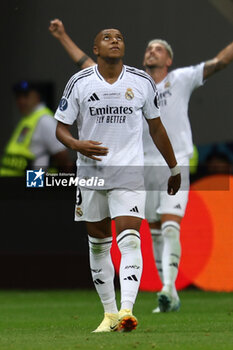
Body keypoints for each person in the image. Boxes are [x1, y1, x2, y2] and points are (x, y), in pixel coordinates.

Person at [49, 19, 233, 313]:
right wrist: (62, 36)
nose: (151, 52)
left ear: (168, 59)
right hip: (134, 165)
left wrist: (174, 166)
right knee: (155, 230)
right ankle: (151, 298)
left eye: (158, 49)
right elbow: (85, 63)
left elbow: (219, 62)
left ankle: (165, 291)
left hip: (169, 162)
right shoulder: (120, 80)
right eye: (149, 48)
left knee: (165, 228)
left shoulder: (181, 78)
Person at [54, 28, 181, 332]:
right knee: (98, 245)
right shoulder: (80, 83)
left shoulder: (140, 81)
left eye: (120, 37)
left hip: (129, 172)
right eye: (107, 37)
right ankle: (109, 314)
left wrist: (174, 168)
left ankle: (126, 310)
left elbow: (157, 128)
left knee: (129, 237)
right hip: (91, 175)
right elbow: (60, 128)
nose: (115, 40)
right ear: (95, 48)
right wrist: (76, 144)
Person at [0, 81, 72, 176]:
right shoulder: (28, 118)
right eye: (18, 97)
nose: (21, 101)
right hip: (16, 183)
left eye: (26, 96)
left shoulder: (45, 119)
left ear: (37, 97)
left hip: (34, 182)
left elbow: (61, 155)